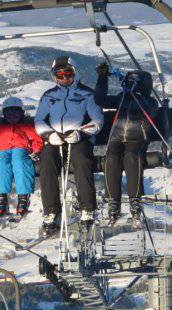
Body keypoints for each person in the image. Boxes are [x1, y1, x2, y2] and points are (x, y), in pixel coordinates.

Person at [34, 56, 104, 236]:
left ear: (75, 73)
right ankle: (51, 211)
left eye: (68, 74)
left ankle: (87, 208)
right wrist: (49, 135)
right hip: (56, 138)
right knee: (46, 162)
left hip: (79, 138)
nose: (64, 78)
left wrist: (81, 133)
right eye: (60, 75)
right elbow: (39, 119)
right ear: (54, 76)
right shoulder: (49, 96)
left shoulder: (87, 94)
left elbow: (97, 120)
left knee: (82, 161)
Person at [95, 64, 162, 226]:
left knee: (131, 157)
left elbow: (144, 109)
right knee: (111, 158)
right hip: (117, 137)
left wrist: (132, 93)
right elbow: (99, 100)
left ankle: (135, 202)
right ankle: (113, 203)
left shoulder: (150, 102)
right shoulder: (122, 98)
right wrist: (102, 78)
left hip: (137, 138)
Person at [0, 96, 44, 218]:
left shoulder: (26, 126)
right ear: (4, 114)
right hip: (2, 150)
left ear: (21, 113)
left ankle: (23, 198)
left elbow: (36, 139)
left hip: (20, 148)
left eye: (16, 112)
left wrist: (36, 151)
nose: (13, 115)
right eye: (9, 112)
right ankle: (2, 200)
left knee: (20, 162)